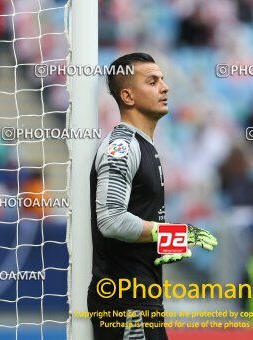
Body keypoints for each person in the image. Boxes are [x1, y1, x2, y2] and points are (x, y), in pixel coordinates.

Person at [87, 53, 218, 340]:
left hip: (141, 298)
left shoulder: (146, 147)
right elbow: (110, 220)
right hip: (125, 303)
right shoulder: (121, 147)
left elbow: (140, 223)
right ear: (128, 96)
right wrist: (174, 232)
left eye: (163, 79)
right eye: (153, 81)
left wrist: (176, 239)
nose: (165, 87)